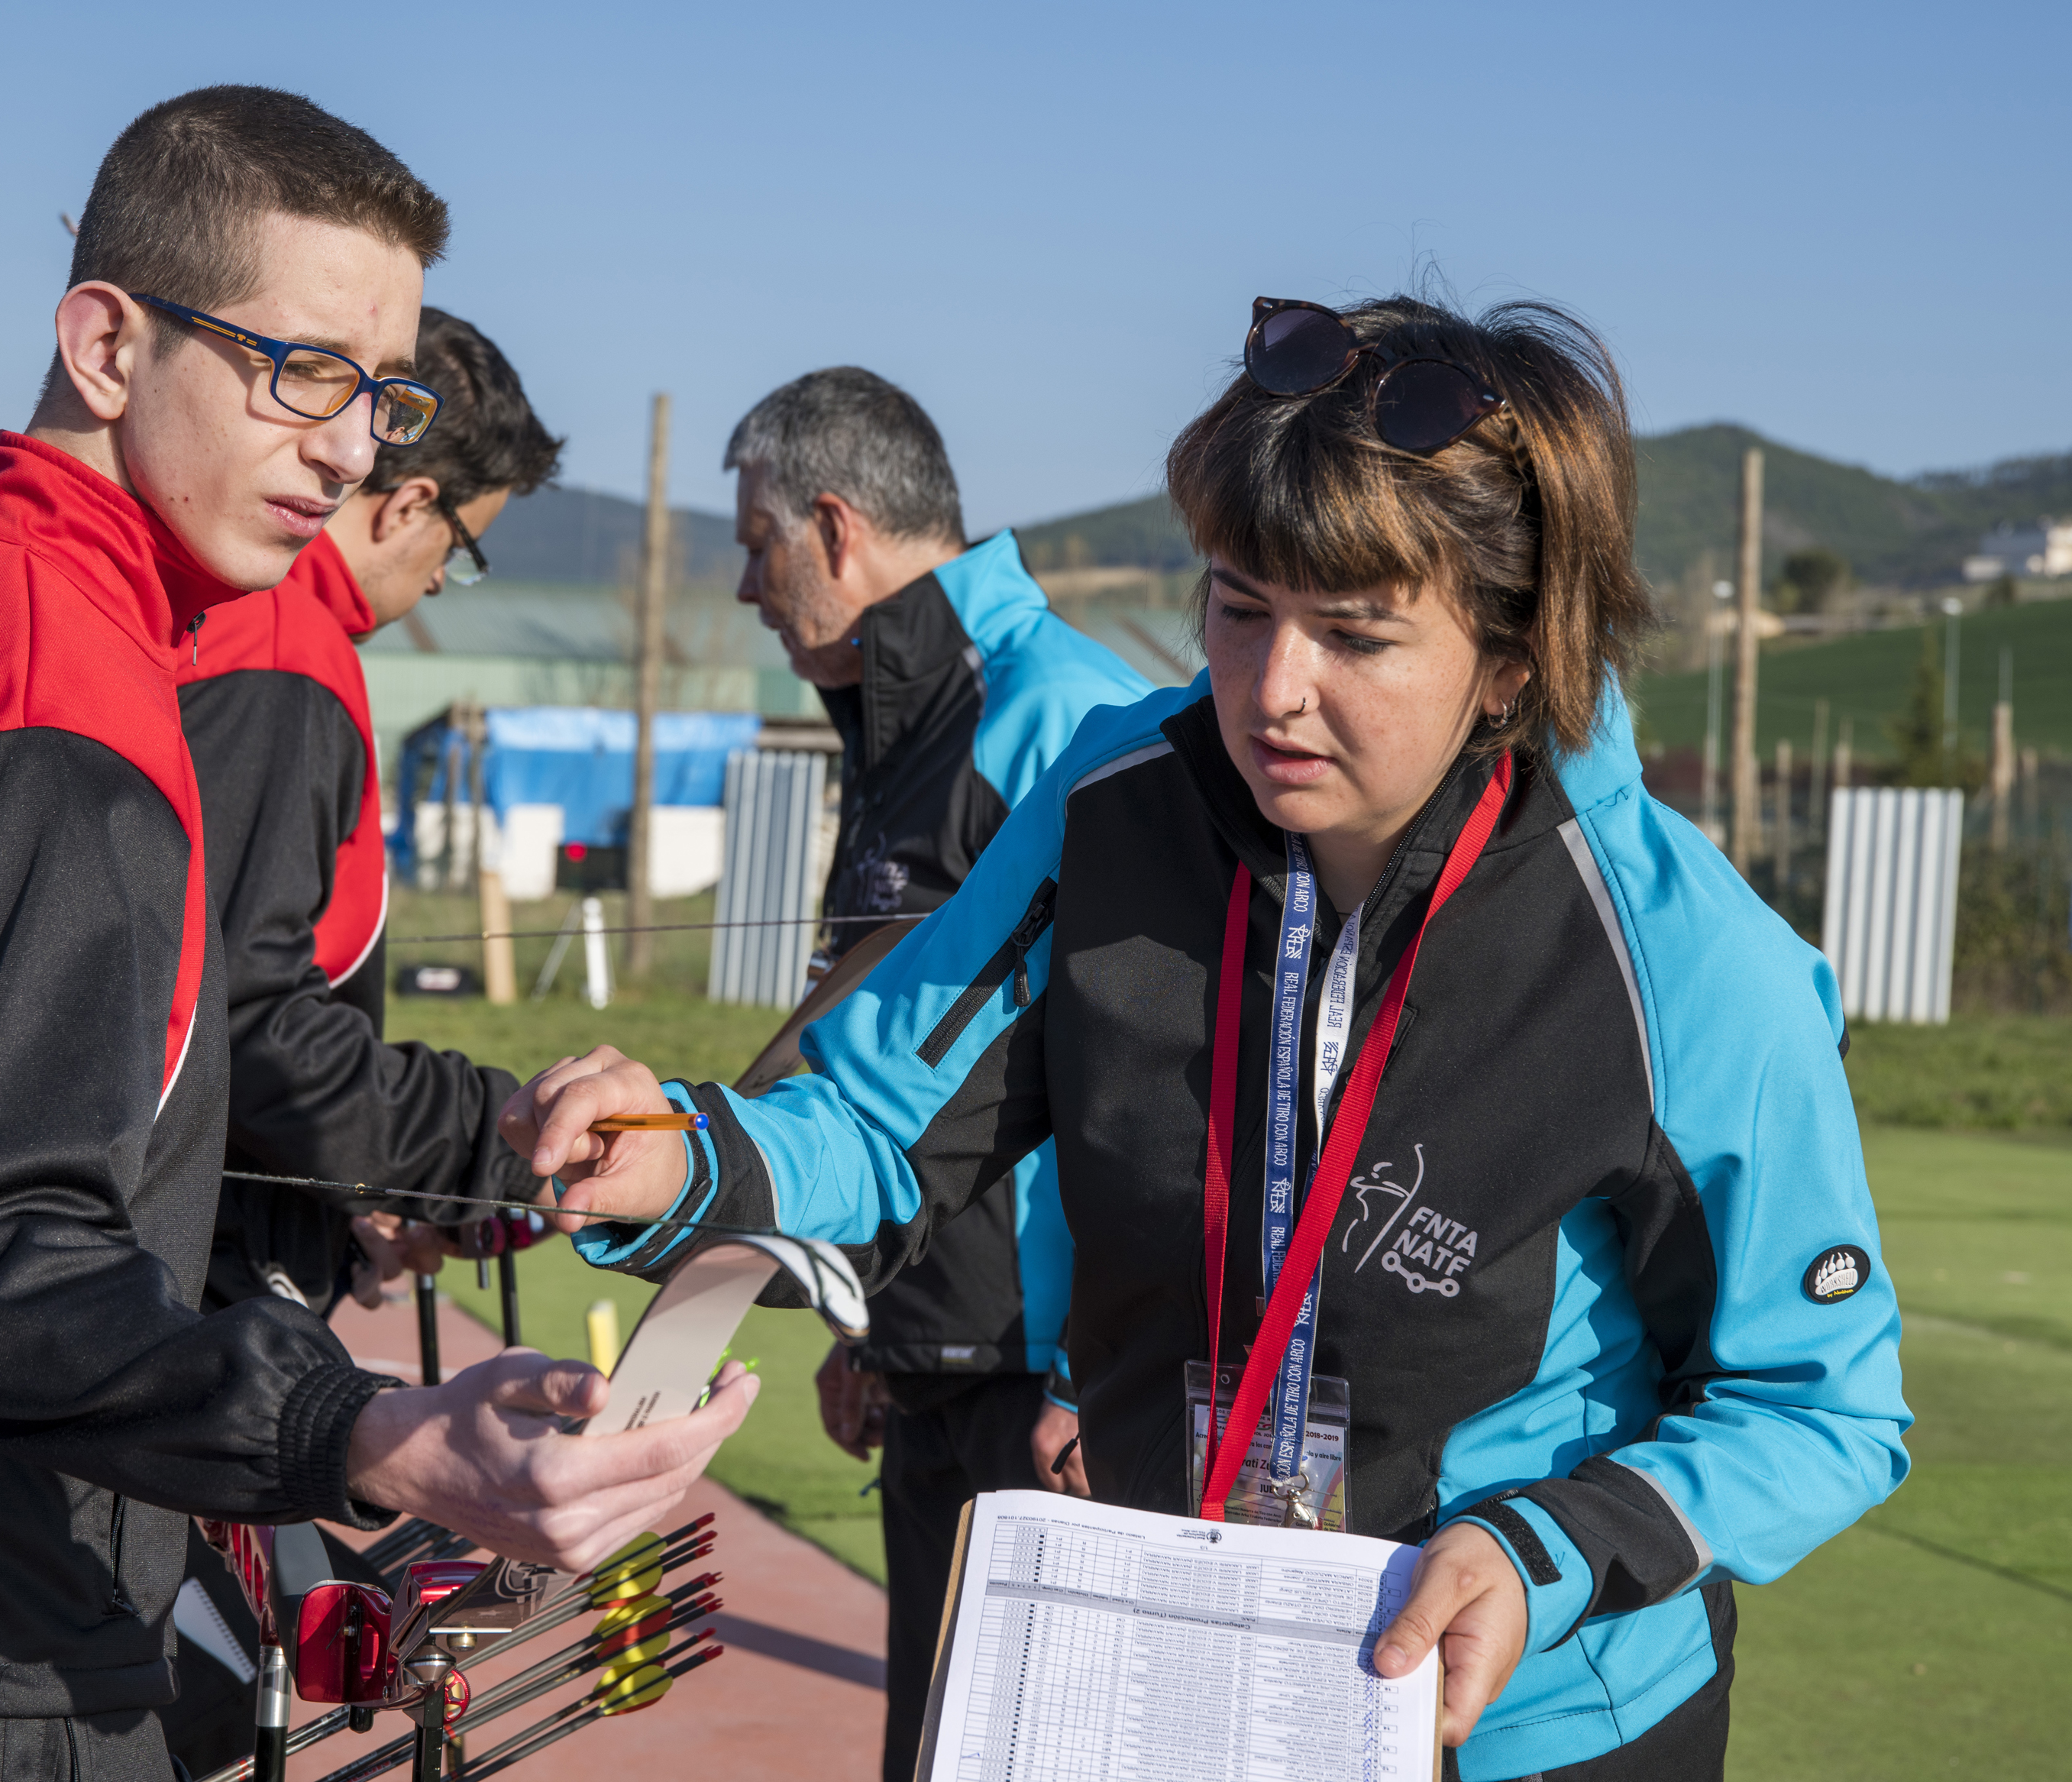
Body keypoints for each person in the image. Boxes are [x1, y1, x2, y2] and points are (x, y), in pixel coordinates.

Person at [507, 294, 1911, 1780]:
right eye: (1239, 607)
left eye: (1355, 633)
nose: (1272, 689)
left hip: (1535, 1729)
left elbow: (1821, 1404)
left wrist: (1539, 1552)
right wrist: (681, 1154)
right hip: (1172, 1678)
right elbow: (879, 1126)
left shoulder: (1683, 955)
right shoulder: (1109, 805)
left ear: (1510, 659)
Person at [0, 86, 754, 1779]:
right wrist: (372, 1428)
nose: (355, 451)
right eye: (304, 373)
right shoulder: (42, 703)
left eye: (383, 393)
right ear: (105, 345)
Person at [722, 367, 1153, 1780]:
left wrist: (1095, 1369)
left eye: (758, 543)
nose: (745, 586)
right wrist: (871, 1324)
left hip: (1048, 1392)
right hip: (933, 1363)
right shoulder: (899, 723)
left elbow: (1149, 1084)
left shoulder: (1063, 712)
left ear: (836, 527)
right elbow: (902, 1063)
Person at [159, 306, 567, 1771]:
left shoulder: (239, 626)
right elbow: (246, 1024)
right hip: (189, 1288)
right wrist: (491, 1145)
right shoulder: (284, 651)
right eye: (461, 546)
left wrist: (356, 1193)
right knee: (219, 1690)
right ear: (407, 501)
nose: (442, 578)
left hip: (206, 1245)